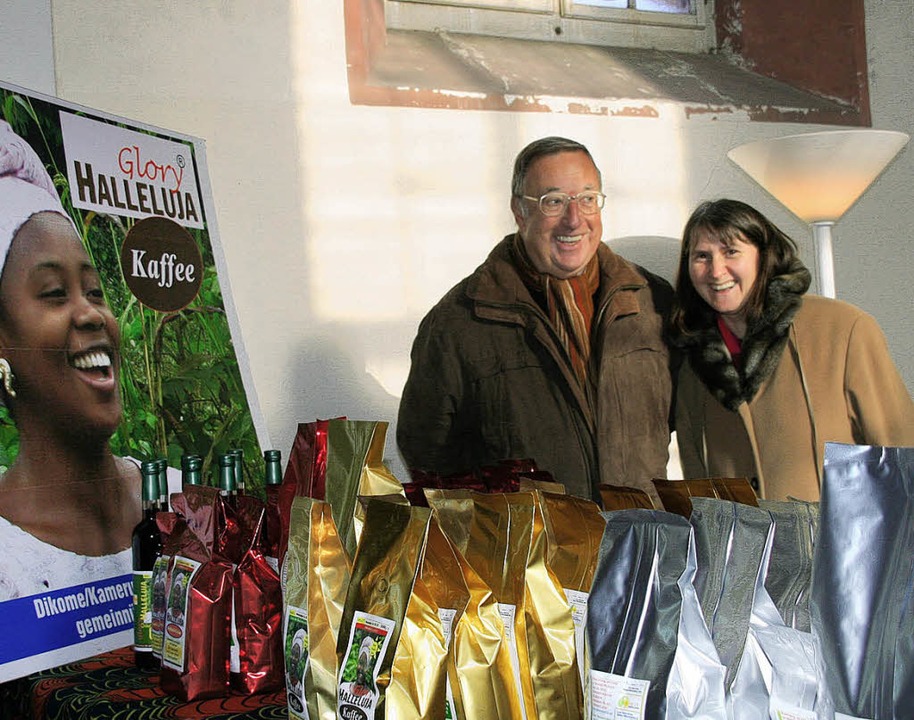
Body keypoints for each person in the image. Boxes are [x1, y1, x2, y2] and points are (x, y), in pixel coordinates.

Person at [397, 136, 676, 504]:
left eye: (588, 199)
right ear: (519, 211)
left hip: (644, 542)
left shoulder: (653, 302)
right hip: (532, 556)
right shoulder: (458, 323)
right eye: (554, 201)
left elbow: (676, 420)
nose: (574, 219)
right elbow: (428, 453)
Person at [667, 198, 914, 502]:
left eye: (731, 251)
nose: (716, 271)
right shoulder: (694, 367)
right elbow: (699, 488)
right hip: (745, 549)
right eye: (702, 256)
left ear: (763, 256)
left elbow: (902, 456)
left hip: (841, 546)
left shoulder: (844, 330)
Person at [0, 120, 142, 599]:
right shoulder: (8, 563)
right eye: (55, 294)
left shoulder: (184, 506)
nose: (92, 314)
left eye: (95, 290)